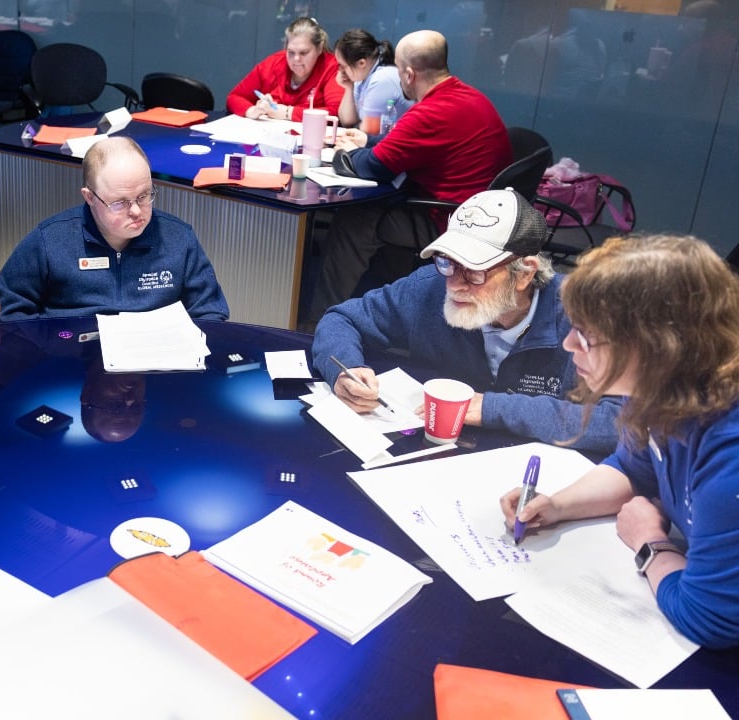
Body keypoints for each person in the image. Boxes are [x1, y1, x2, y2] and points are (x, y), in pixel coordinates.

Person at [501, 234, 739, 649]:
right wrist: (557, 506)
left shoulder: (729, 460)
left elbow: (711, 619)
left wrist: (650, 543)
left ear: (657, 349)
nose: (567, 345)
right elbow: (633, 467)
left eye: (586, 337)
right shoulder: (660, 391)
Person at [312, 188, 619, 453]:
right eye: (448, 262)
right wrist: (347, 370)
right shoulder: (428, 289)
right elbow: (342, 319)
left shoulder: (586, 316)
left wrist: (491, 408)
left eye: (475, 271)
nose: (455, 284)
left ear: (525, 273)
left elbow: (625, 423)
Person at [304, 29, 510, 327]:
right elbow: (401, 148)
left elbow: (375, 166)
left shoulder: (430, 112)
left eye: (400, 72)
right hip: (481, 214)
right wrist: (369, 142)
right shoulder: (470, 96)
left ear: (410, 74)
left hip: (451, 222)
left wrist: (343, 155)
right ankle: (390, 309)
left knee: (356, 218)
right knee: (381, 210)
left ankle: (320, 322)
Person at [0, 137, 229, 321]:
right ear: (89, 197)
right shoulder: (49, 240)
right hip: (74, 360)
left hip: (155, 363)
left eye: (144, 196)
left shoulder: (179, 238)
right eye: (120, 203)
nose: (137, 211)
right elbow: (14, 307)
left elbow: (210, 311)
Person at [226, 17, 345, 123]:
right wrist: (252, 110)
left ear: (319, 48)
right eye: (291, 52)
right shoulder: (273, 63)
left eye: (304, 53)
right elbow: (234, 97)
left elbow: (335, 112)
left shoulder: (331, 67)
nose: (296, 59)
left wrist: (289, 113)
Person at [332, 28, 412, 132]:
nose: (340, 70)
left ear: (361, 63)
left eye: (343, 66)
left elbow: (369, 131)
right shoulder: (362, 76)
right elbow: (347, 122)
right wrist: (349, 88)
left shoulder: (382, 80)